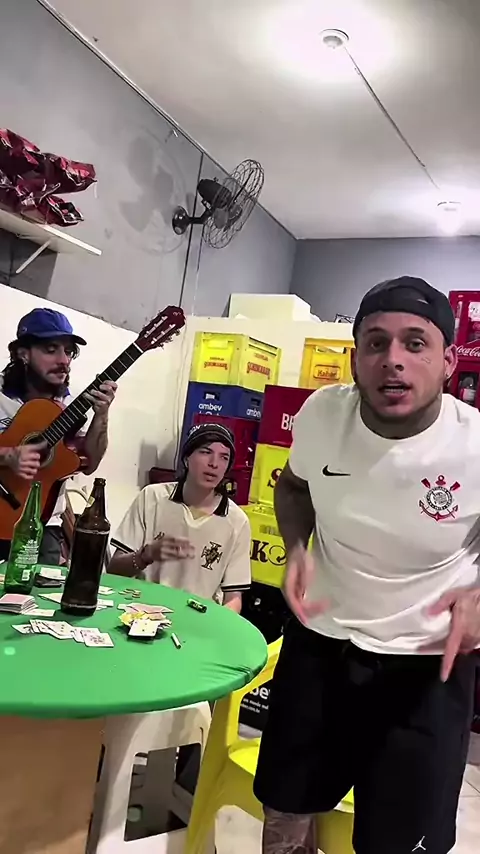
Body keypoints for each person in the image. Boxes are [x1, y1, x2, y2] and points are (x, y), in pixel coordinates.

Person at [254, 276, 480, 854]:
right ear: (356, 358)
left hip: (428, 665)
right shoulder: (322, 414)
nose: (393, 360)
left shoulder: (474, 445)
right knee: (285, 811)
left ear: (448, 362)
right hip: (322, 645)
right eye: (376, 343)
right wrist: (298, 548)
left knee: (396, 840)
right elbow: (294, 487)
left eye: (415, 343)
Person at [0, 308, 117, 564]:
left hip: (45, 525)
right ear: (23, 353)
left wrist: (101, 415)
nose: (63, 360)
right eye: (51, 349)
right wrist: (8, 456)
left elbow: (89, 463)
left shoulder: (70, 406)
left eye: (69, 351)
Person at [109, 422, 251, 612]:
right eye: (205, 452)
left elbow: (233, 598)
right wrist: (146, 555)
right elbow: (114, 570)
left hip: (197, 618)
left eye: (224, 457)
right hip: (140, 611)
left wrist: (217, 625)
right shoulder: (152, 497)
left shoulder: (237, 521)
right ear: (186, 458)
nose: (214, 464)